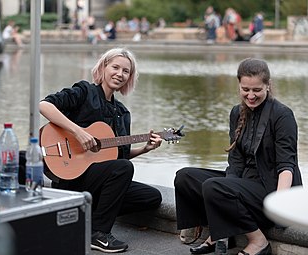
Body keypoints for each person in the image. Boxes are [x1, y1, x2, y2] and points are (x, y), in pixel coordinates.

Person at [174, 58, 303, 255]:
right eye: (245, 89)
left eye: (257, 90)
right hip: (245, 183)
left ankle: (258, 241)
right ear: (239, 85)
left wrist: (280, 207)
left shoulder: (282, 115)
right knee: (185, 177)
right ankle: (221, 230)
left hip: (271, 188)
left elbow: (287, 166)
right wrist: (226, 193)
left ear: (268, 86)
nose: (250, 96)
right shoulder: (236, 112)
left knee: (214, 187)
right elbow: (235, 162)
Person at [39, 48, 163, 253]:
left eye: (126, 71)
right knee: (123, 168)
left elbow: (118, 155)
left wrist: (144, 149)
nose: (119, 74)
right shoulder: (85, 92)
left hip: (97, 180)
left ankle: (85, 216)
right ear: (103, 67)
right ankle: (98, 233)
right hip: (72, 175)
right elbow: (44, 105)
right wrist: (78, 132)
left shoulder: (122, 113)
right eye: (115, 67)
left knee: (151, 197)